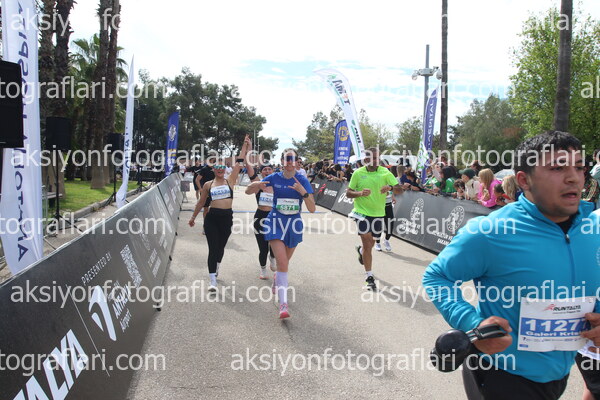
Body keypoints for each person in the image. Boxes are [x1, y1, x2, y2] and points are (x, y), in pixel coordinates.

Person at [422, 131, 600, 400]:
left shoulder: (593, 229)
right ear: (524, 180)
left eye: (579, 167)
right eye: (557, 168)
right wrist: (474, 324)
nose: (573, 177)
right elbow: (437, 277)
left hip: (558, 373)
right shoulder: (490, 230)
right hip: (500, 374)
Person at [255, 149, 315, 319]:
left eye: (293, 159)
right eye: (287, 158)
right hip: (275, 222)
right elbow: (251, 189)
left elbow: (312, 208)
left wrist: (303, 192)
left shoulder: (302, 180)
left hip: (293, 225)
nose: (290, 161)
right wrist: (255, 186)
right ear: (282, 161)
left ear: (297, 161)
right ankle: (283, 304)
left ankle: (277, 277)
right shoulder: (274, 177)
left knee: (284, 263)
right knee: (282, 262)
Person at [188, 135, 251, 291]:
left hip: (226, 218)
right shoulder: (208, 184)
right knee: (213, 248)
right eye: (217, 167)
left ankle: (217, 266)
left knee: (221, 247)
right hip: (212, 218)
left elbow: (240, 161)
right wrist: (193, 217)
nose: (220, 169)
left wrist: (245, 146)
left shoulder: (230, 180)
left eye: (222, 167)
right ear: (214, 169)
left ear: (225, 169)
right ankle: (212, 281)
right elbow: (201, 202)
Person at [346, 147, 403, 290]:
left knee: (370, 244)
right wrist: (359, 193)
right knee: (367, 243)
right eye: (374, 158)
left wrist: (390, 188)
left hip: (378, 213)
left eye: (378, 158)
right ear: (367, 159)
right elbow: (348, 193)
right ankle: (369, 277)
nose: (377, 161)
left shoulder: (385, 172)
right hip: (361, 213)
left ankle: (361, 252)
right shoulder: (358, 173)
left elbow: (400, 190)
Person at [245, 164, 276, 280]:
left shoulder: (277, 185)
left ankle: (272, 257)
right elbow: (247, 191)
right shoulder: (259, 184)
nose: (267, 171)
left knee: (275, 243)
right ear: (261, 172)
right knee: (263, 248)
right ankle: (263, 269)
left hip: (274, 217)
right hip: (260, 217)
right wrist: (256, 185)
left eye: (269, 169)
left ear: (273, 171)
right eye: (264, 169)